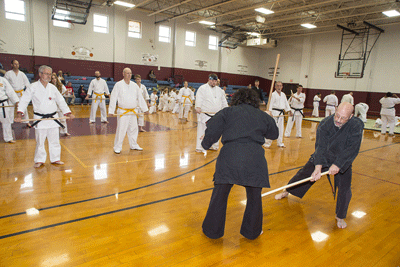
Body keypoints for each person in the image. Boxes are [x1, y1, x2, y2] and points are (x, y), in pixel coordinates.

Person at [201, 88, 279, 239]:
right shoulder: (262, 115)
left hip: (230, 157)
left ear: (236, 99)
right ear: (255, 101)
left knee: (220, 195)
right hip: (254, 159)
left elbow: (212, 129)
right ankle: (252, 232)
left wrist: (205, 144)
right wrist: (269, 118)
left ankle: (212, 231)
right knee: (254, 197)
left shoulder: (227, 112)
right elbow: (273, 134)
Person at [275, 102, 364, 229]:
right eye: (337, 115)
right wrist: (318, 167)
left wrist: (338, 165)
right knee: (304, 174)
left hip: (343, 159)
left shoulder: (356, 125)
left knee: (345, 188)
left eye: (343, 118)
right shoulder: (325, 124)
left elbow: (352, 148)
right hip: (325, 155)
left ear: (351, 116)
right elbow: (320, 147)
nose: (338, 120)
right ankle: (287, 190)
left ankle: (340, 216)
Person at [15, 65, 74, 168]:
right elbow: (24, 100)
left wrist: (68, 113)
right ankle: (39, 160)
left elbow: (61, 101)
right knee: (40, 141)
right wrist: (19, 114)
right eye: (46, 73)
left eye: (50, 74)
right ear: (40, 74)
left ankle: (55, 158)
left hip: (53, 118)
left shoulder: (53, 88)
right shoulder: (32, 87)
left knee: (55, 140)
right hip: (40, 119)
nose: (49, 76)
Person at [108, 68, 149, 154]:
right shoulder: (118, 85)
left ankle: (133, 144)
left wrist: (145, 109)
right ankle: (117, 146)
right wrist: (111, 110)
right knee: (121, 129)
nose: (129, 75)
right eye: (127, 73)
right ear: (123, 74)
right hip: (123, 112)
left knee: (133, 129)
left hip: (133, 111)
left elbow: (140, 98)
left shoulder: (134, 85)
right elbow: (113, 97)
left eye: (130, 73)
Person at [195, 73, 228, 152]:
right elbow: (199, 98)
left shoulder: (219, 90)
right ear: (209, 80)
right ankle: (200, 147)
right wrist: (198, 107)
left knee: (215, 131)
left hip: (216, 115)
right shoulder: (202, 88)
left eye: (215, 81)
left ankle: (213, 145)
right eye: (212, 80)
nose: (213, 82)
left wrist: (226, 109)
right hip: (204, 114)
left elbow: (223, 101)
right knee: (202, 130)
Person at [263, 81, 292, 148]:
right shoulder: (273, 94)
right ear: (275, 87)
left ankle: (280, 142)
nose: (279, 87)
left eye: (280, 86)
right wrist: (269, 112)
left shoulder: (283, 94)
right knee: (271, 128)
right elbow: (270, 104)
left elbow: (286, 104)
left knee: (281, 129)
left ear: (282, 87)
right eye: (278, 86)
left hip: (281, 114)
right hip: (274, 113)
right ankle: (267, 142)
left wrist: (289, 110)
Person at [4, 59, 32, 127]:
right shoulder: (8, 73)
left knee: (24, 107)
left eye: (18, 64)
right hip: (12, 93)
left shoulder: (22, 74)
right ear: (12, 65)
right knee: (11, 108)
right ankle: (10, 123)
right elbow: (5, 84)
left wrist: (28, 92)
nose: (17, 65)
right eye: (15, 64)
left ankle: (26, 122)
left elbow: (27, 84)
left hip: (21, 93)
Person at [0, 76, 19, 143]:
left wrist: (16, 101)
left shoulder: (2, 80)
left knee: (6, 121)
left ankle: (8, 138)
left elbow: (10, 91)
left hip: (2, 104)